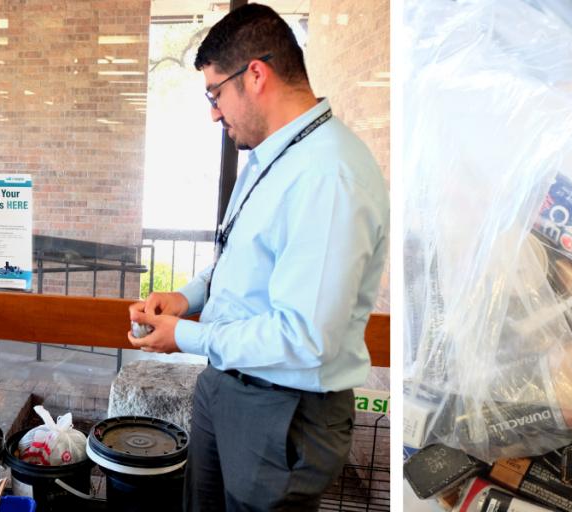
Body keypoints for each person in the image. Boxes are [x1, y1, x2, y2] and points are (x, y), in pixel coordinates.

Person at [126, 4, 389, 510]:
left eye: (215, 93)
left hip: (283, 409)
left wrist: (184, 335)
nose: (213, 112)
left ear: (256, 75)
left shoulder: (328, 174)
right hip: (225, 385)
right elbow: (240, 254)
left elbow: (304, 338)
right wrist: (187, 296)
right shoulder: (271, 155)